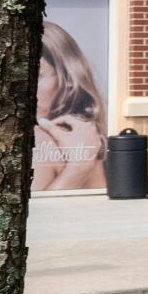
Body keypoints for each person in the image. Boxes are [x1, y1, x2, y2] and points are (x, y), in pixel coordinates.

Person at [30, 19, 106, 192]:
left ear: (68, 78)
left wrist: (78, 169)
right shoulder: (86, 137)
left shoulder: (39, 139)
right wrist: (79, 167)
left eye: (37, 75)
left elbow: (39, 210)